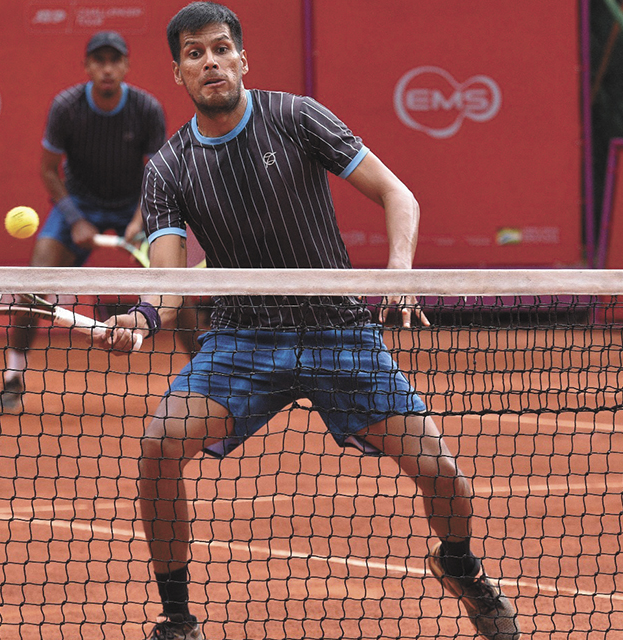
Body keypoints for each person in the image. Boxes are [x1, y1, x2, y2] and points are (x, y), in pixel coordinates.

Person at [94, 3, 522, 640]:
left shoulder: (296, 118)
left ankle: (459, 565)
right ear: (178, 72)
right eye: (194, 53)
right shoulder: (168, 168)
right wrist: (143, 316)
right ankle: (178, 619)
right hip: (243, 338)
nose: (209, 61)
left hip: (338, 331)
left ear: (243, 59)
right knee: (159, 446)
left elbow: (397, 193)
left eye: (220, 49)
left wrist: (399, 274)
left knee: (440, 472)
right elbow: (170, 278)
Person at [0, 30, 168, 413]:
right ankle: (13, 376)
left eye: (114, 60)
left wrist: (140, 218)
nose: (107, 69)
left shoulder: (147, 109)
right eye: (99, 61)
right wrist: (75, 220)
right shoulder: (66, 107)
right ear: (87, 66)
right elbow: (48, 170)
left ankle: (200, 377)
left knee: (178, 285)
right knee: (32, 288)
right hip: (79, 203)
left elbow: (157, 172)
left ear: (125, 65)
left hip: (132, 204)